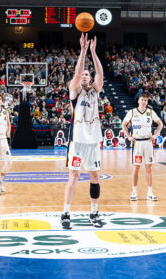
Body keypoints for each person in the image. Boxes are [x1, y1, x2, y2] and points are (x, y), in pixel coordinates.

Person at [61, 34, 104, 229]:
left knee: (95, 177)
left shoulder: (95, 90)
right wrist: (83, 50)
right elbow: (77, 74)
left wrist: (94, 53)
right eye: (83, 75)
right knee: (74, 177)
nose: (85, 76)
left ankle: (94, 213)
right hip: (77, 141)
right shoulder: (75, 91)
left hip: (93, 141)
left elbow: (100, 75)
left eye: (88, 74)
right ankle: (66, 213)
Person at [122, 93, 163, 201]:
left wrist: (155, 135)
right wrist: (128, 136)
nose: (144, 102)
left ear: (147, 102)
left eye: (145, 100)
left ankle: (150, 193)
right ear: (138, 101)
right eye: (142, 100)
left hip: (148, 142)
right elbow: (123, 125)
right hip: (137, 143)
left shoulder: (150, 112)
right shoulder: (132, 112)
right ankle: (134, 192)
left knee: (149, 168)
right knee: (136, 168)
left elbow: (160, 124)